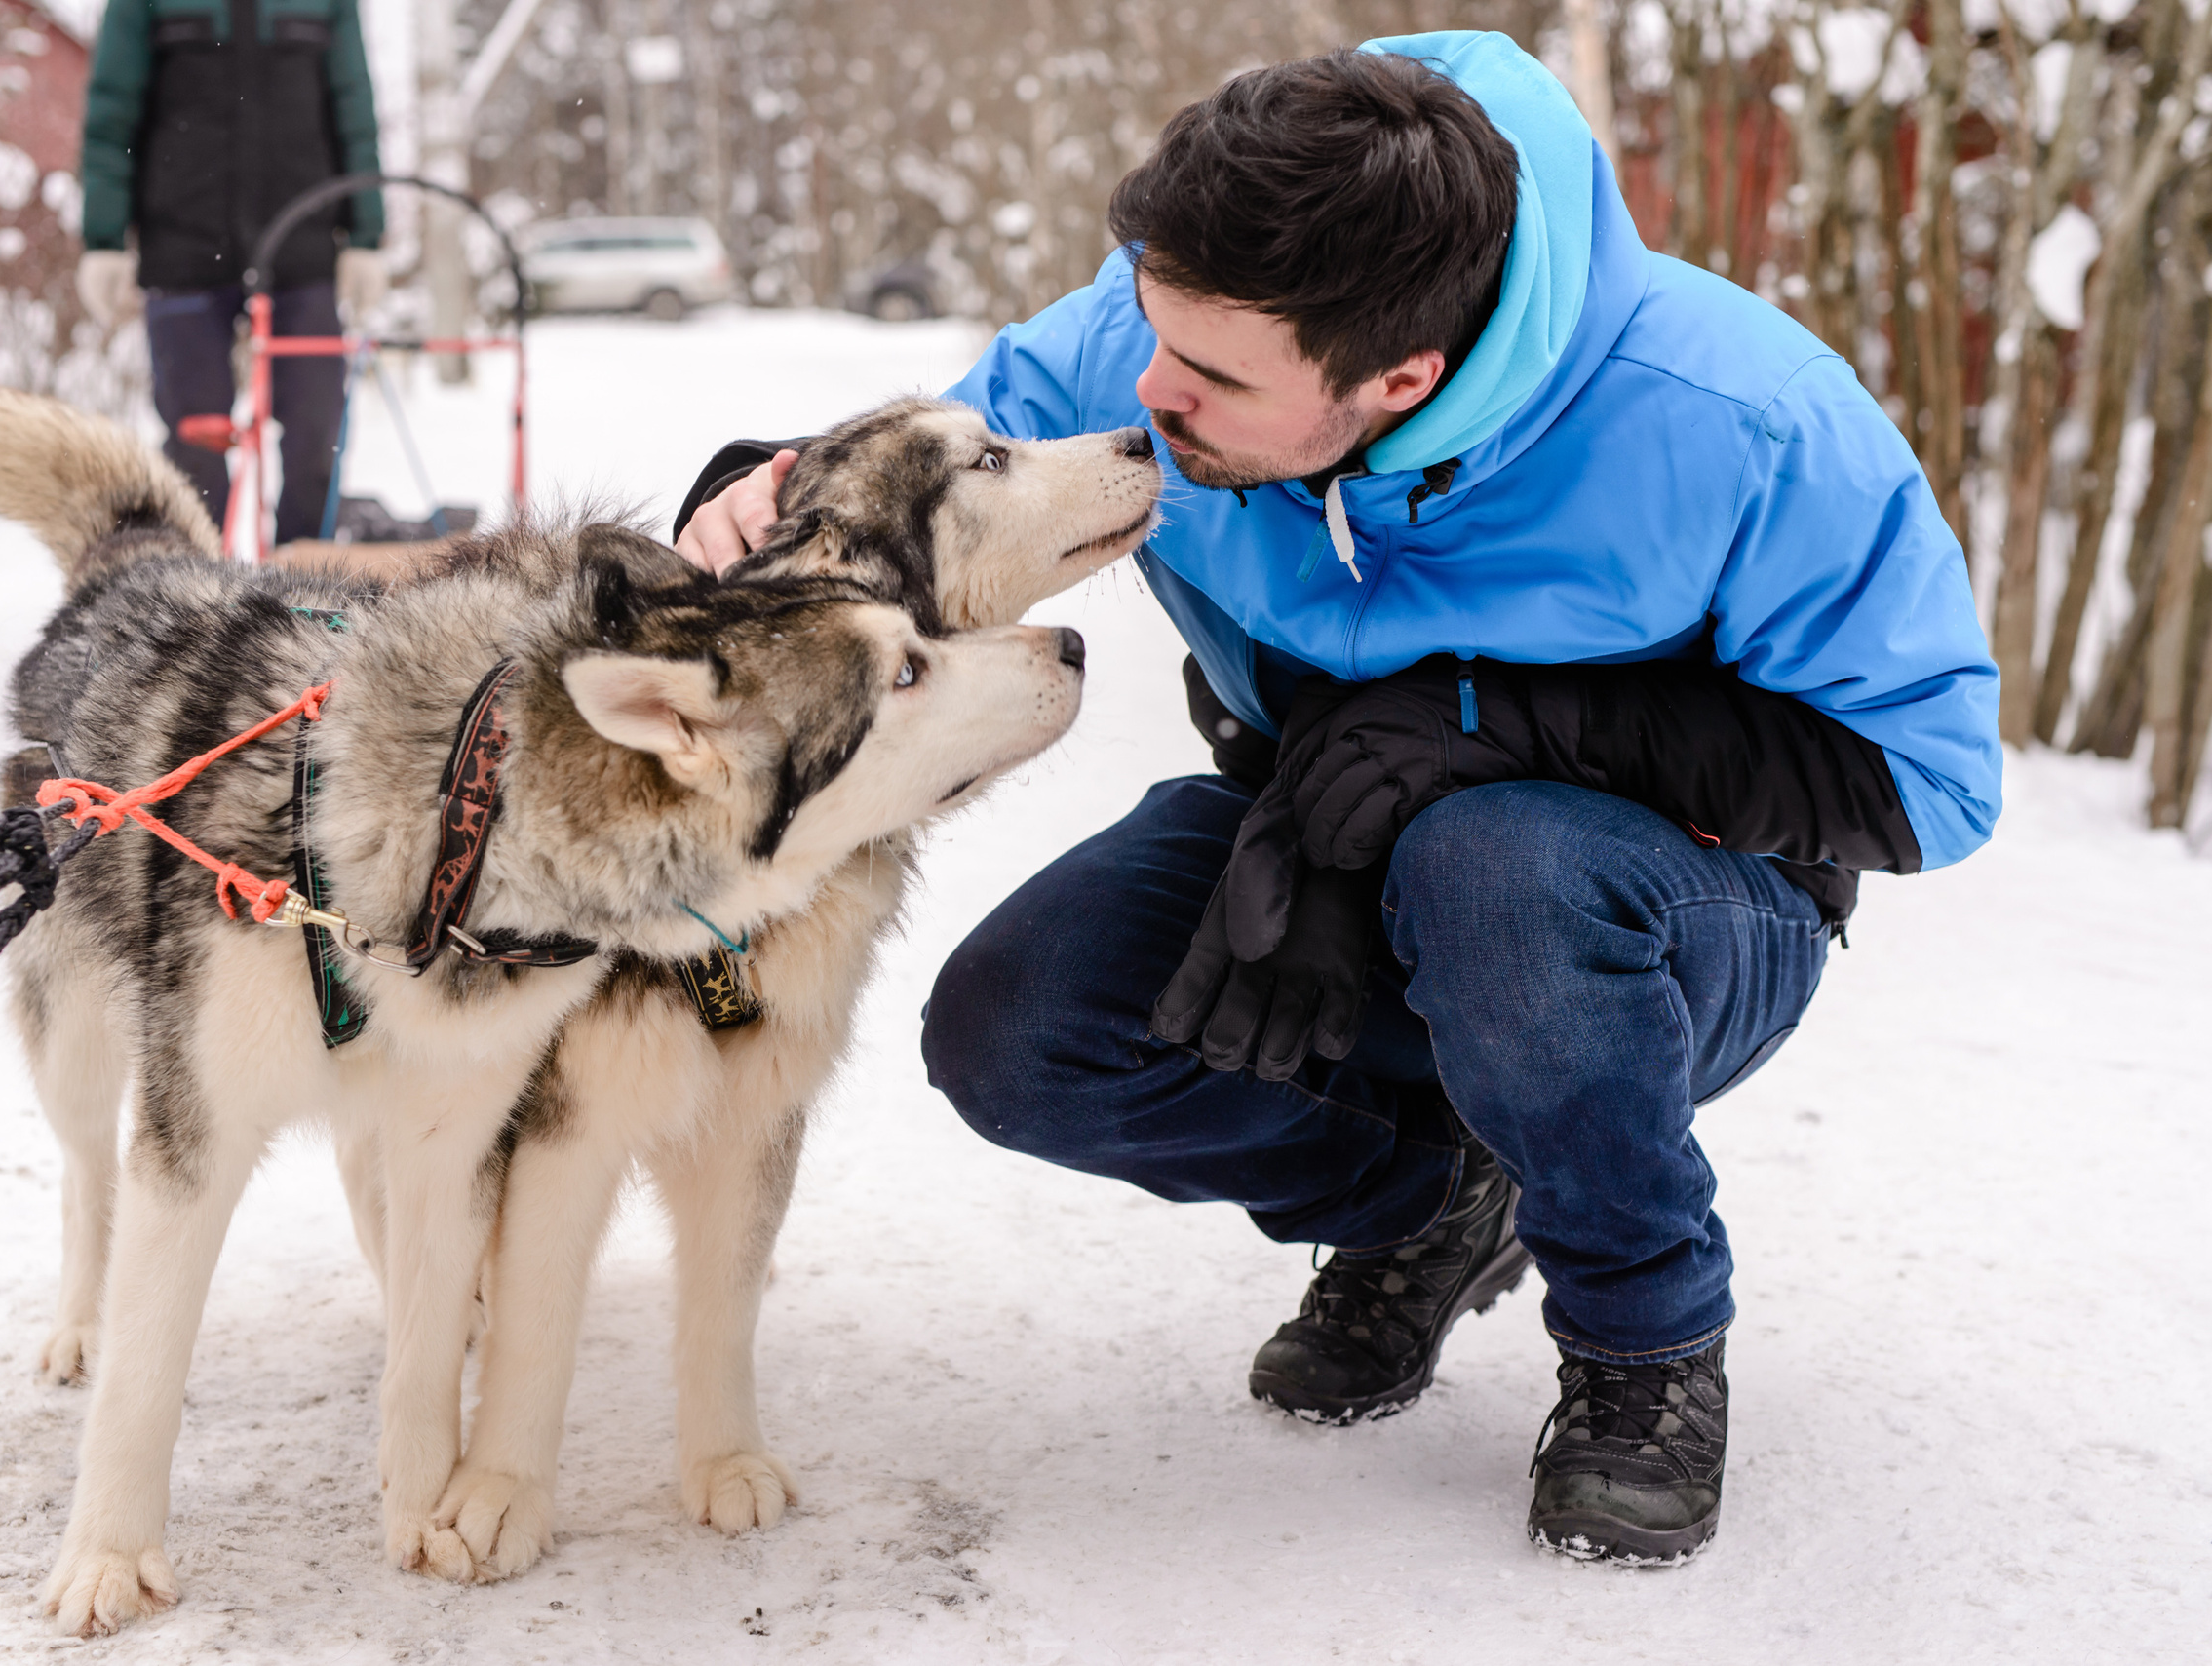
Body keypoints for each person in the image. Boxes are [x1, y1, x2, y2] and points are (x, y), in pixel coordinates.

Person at [674, 33, 2000, 1563]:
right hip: (1312, 819)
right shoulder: (1166, 337)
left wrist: (1502, 720)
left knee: (1494, 867)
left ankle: (1646, 1346)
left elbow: (1928, 783)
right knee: (1021, 1033)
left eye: (1212, 379)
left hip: (1673, 904)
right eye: (1148, 331)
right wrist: (759, 497)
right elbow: (932, 518)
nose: (1145, 394)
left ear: (1400, 381)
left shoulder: (1738, 422)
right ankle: (1431, 1200)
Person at [75, 0, 387, 546]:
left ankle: (303, 590)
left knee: (319, 439)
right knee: (196, 448)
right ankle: (201, 600)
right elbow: (113, 111)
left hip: (302, 250)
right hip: (183, 252)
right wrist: (104, 237)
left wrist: (365, 234)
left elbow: (353, 105)